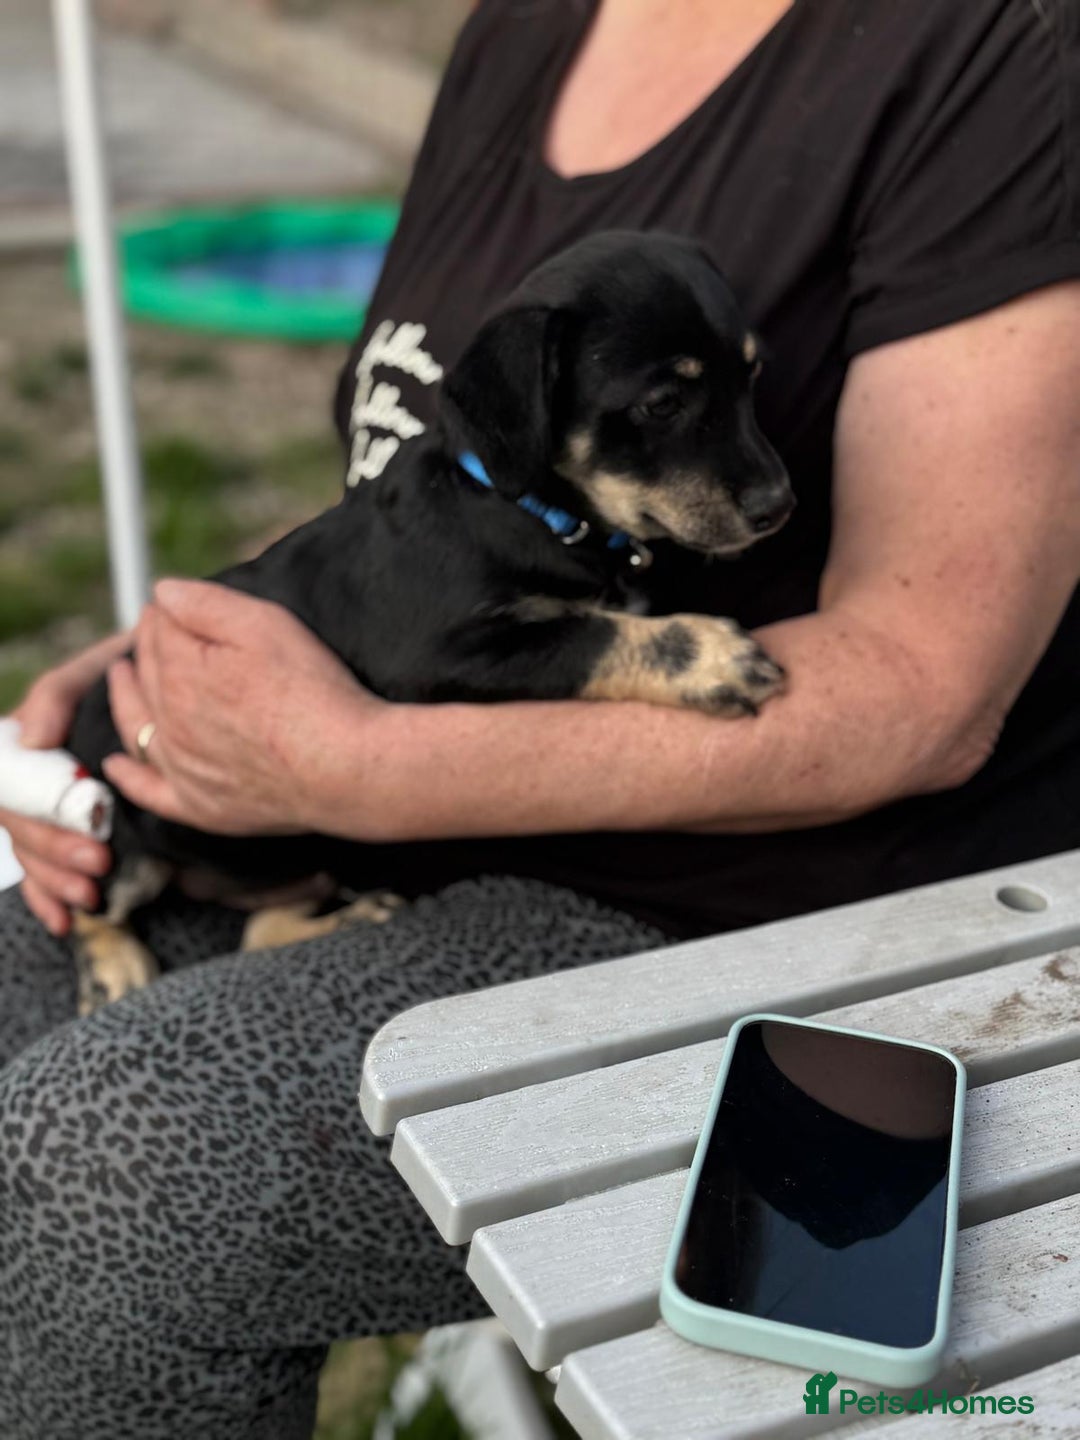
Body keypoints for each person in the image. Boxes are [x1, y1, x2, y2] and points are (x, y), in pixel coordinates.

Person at [1, 1, 1078, 1434]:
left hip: (759, 916)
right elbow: (417, 482)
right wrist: (194, 642)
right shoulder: (530, 26)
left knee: (112, 1155)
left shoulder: (1001, 55)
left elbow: (925, 694)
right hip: (381, 829)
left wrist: (349, 766)